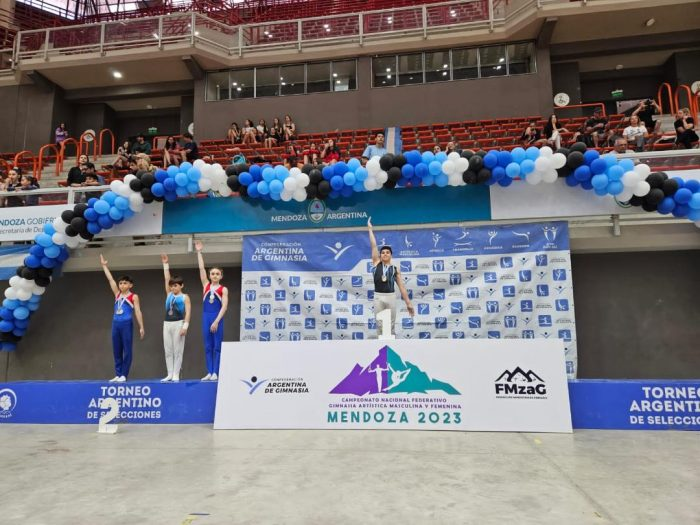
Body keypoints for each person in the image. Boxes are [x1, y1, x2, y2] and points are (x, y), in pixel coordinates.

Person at [100, 254, 145, 383]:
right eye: (120, 283)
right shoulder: (117, 294)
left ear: (130, 285)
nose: (122, 285)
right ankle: (118, 374)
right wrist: (104, 266)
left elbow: (138, 311)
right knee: (117, 350)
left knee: (127, 350)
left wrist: (141, 327)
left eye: (125, 283)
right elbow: (110, 280)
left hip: (126, 324)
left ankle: (124, 374)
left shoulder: (133, 296)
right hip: (115, 324)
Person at [367, 217, 414, 338]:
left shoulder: (395, 269)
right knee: (380, 325)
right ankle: (381, 346)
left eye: (387, 252)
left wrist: (408, 303)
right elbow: (373, 246)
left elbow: (402, 287)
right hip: (378, 297)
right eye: (383, 252)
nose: (385, 254)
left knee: (390, 325)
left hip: (391, 297)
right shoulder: (376, 263)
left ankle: (390, 346)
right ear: (380, 255)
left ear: (391, 255)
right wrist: (370, 230)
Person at [194, 240, 228, 381]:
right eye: (212, 273)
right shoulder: (206, 286)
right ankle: (209, 371)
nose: (214, 275)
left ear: (221, 276)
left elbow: (224, 307)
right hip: (206, 317)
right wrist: (199, 252)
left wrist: (216, 321)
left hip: (217, 317)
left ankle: (215, 372)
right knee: (208, 346)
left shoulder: (223, 289)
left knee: (217, 347)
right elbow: (201, 269)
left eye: (217, 274)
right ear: (209, 276)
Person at [160, 254, 190, 382]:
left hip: (179, 323)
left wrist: (185, 327)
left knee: (178, 351)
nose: (173, 288)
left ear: (181, 285)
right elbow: (167, 278)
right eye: (171, 286)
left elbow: (188, 313)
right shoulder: (169, 294)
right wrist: (165, 265)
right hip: (167, 324)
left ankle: (176, 374)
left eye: (175, 286)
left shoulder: (185, 297)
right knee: (168, 350)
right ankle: (169, 373)